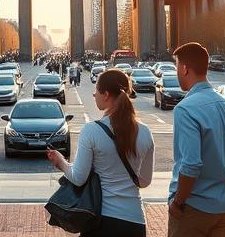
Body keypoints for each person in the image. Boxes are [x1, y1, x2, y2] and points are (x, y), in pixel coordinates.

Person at [48, 69, 155, 237]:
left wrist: (60, 162)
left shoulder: (91, 131)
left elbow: (78, 178)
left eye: (96, 90)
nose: (94, 94)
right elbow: (144, 181)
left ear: (105, 94)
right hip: (135, 221)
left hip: (101, 221)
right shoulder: (145, 132)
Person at [167, 42, 225, 237]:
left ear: (185, 69)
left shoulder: (185, 109)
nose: (177, 71)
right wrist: (222, 187)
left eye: (177, 66)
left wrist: (178, 201)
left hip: (192, 207)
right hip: (222, 207)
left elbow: (191, 164)